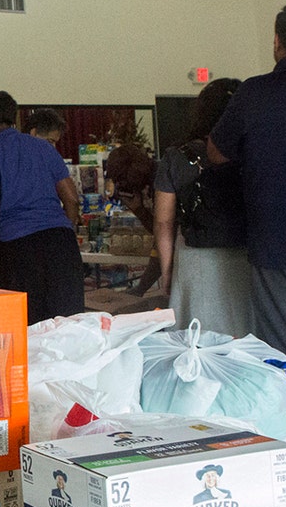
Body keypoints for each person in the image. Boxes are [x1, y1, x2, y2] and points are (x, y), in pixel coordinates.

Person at [208, 0, 286, 371]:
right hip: (280, 244)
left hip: (280, 244)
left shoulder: (255, 93)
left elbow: (217, 154)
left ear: (276, 42)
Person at [0, 90, 84, 325]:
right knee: (69, 328)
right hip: (61, 245)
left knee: (26, 332)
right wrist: (65, 231)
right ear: (15, 116)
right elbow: (71, 200)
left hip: (17, 251)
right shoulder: (44, 149)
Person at [153, 78, 251, 336]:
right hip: (247, 256)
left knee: (196, 342)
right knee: (247, 340)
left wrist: (167, 272)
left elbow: (163, 221)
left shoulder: (177, 156)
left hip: (195, 260)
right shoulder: (253, 150)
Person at [104, 144, 163, 295]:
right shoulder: (150, 179)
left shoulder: (162, 181)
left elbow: (164, 236)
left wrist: (141, 288)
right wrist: (139, 209)